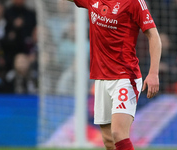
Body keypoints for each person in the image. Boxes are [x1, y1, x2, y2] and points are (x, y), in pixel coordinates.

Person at [68, 0, 162, 149]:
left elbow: (153, 35)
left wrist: (153, 73)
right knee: (108, 141)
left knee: (118, 133)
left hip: (125, 76)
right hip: (101, 78)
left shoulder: (134, 2)